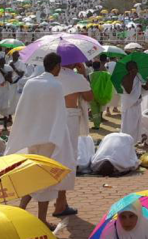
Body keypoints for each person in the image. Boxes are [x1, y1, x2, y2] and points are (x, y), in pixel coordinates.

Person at [7, 53, 75, 229]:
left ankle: (21, 209)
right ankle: (41, 219)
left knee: (33, 175)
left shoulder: (31, 83)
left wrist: (23, 132)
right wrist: (60, 138)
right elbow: (59, 115)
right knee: (45, 180)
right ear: (56, 66)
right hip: (49, 138)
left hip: (32, 137)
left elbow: (22, 110)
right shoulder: (55, 86)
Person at [58, 62, 94, 208]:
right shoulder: (75, 77)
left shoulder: (47, 76)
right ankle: (61, 202)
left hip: (52, 117)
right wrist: (83, 74)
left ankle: (60, 201)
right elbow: (89, 96)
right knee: (68, 158)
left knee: (55, 156)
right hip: (69, 118)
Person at [121, 61, 147, 144]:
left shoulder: (138, 76)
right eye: (134, 68)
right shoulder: (125, 78)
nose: (137, 69)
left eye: (136, 67)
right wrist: (132, 76)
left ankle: (133, 144)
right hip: (129, 106)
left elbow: (146, 87)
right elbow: (128, 90)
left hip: (137, 105)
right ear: (130, 69)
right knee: (128, 127)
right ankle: (126, 144)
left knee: (136, 126)